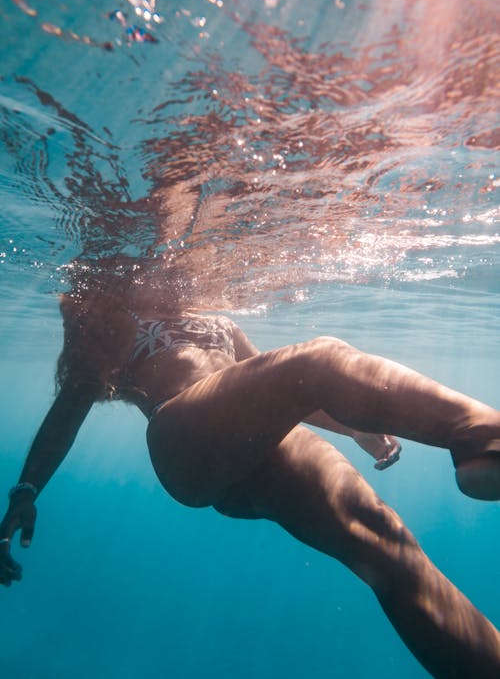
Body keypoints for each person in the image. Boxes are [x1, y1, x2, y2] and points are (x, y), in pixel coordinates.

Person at [1, 280, 500, 678]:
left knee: (388, 546)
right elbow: (70, 407)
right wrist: (26, 490)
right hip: (185, 437)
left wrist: (356, 430)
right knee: (320, 356)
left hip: (257, 451)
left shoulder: (213, 312)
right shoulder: (107, 308)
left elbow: (275, 387)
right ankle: (481, 435)